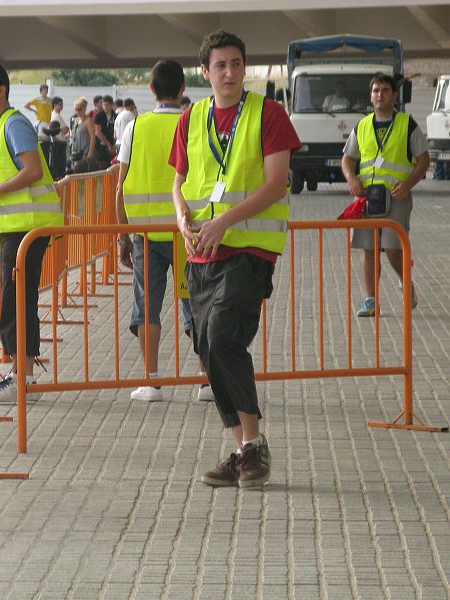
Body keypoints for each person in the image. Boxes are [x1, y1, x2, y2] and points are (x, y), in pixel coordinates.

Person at [170, 31, 301, 487]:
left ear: (245, 68)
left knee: (224, 335)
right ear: (204, 72)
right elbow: (179, 181)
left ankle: (255, 443)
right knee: (206, 346)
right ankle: (242, 449)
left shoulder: (269, 114)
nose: (229, 72)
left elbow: (275, 183)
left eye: (237, 64)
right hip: (201, 252)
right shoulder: (193, 117)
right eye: (220, 65)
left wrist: (224, 222)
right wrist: (183, 217)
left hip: (248, 249)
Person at [0, 62, 63, 402]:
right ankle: (24, 375)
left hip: (24, 229)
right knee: (20, 300)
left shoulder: (14, 123)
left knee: (15, 301)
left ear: (1, 91)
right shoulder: (4, 126)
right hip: (20, 228)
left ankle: (21, 377)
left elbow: (32, 169)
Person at [116, 60, 213, 403]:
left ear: (151, 89)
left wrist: (122, 236)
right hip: (189, 234)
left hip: (146, 234)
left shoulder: (135, 127)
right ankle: (206, 381)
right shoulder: (196, 124)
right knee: (196, 304)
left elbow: (120, 187)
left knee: (147, 307)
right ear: (184, 87)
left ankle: (152, 381)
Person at [341, 73, 430, 317]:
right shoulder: (362, 126)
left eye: (385, 90)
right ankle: (371, 300)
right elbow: (347, 159)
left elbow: (423, 159)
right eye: (376, 91)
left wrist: (409, 183)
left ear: (394, 95)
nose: (380, 95)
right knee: (369, 249)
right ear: (371, 96)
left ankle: (404, 281)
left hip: (397, 196)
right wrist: (352, 178)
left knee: (392, 248)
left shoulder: (407, 124)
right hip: (367, 198)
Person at [69, 97, 101, 174]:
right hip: (77, 151)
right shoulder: (76, 120)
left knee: (83, 171)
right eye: (76, 109)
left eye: (79, 109)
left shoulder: (88, 120)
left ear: (84, 109)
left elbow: (93, 137)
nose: (77, 111)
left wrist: (90, 153)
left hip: (86, 151)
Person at [94, 94, 117, 164]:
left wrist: (114, 145)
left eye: (107, 105)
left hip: (112, 144)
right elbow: (98, 132)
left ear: (111, 105)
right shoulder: (99, 116)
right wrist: (108, 144)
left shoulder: (115, 116)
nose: (105, 107)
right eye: (103, 105)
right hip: (101, 146)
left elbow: (117, 132)